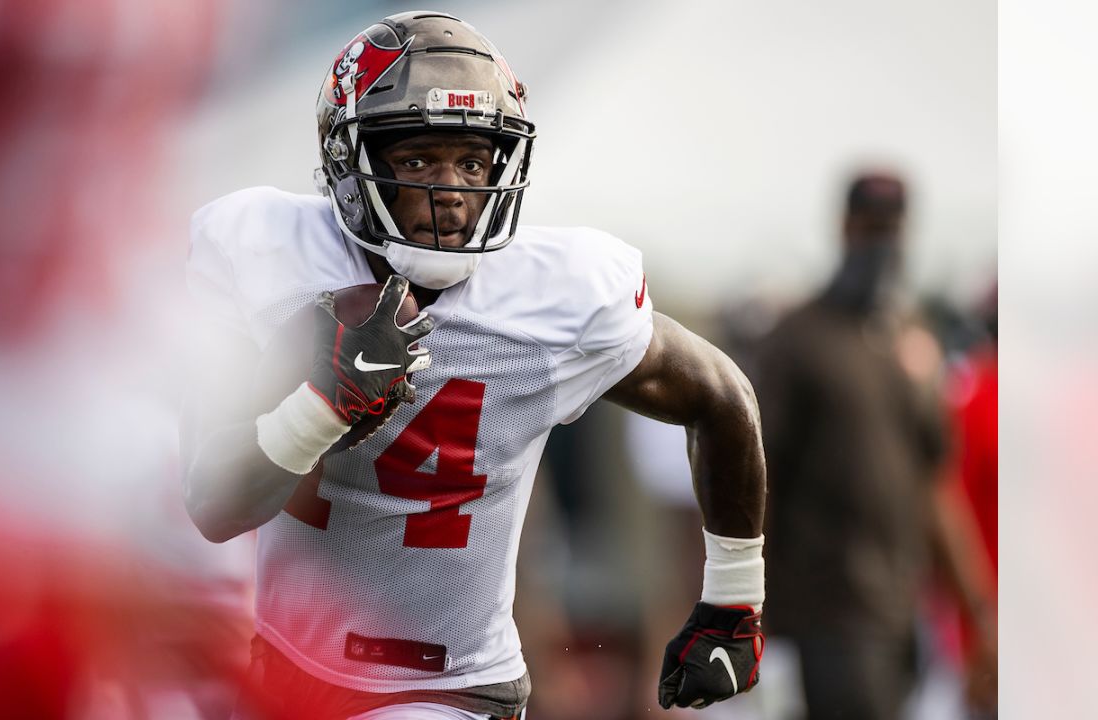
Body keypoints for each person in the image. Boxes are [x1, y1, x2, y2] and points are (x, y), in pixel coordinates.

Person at [182, 12, 767, 719]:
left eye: (473, 161)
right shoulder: (270, 254)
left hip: (446, 689)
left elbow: (723, 396)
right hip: (281, 666)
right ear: (348, 161)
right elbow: (213, 505)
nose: (452, 190)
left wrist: (734, 601)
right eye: (419, 159)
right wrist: (323, 404)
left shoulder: (557, 294)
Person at [754, 173, 996, 720]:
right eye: (870, 226)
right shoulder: (799, 339)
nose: (881, 242)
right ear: (844, 227)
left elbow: (936, 486)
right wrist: (741, 598)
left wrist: (977, 610)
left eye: (891, 227)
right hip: (826, 608)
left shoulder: (912, 339)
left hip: (902, 607)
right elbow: (756, 480)